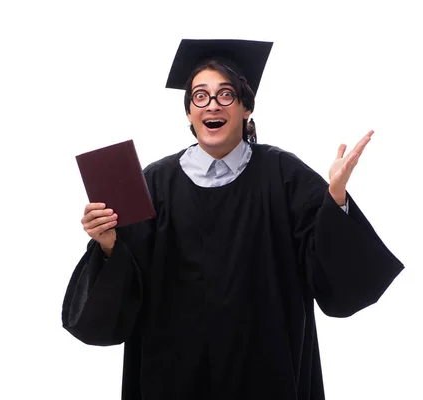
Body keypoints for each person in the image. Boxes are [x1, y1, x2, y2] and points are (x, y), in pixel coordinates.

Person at [61, 39, 404, 400]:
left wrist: (335, 199)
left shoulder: (284, 175)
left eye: (226, 95)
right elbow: (126, 290)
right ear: (190, 113)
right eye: (201, 96)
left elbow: (330, 275)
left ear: (246, 108)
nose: (213, 104)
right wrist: (108, 245)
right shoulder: (153, 184)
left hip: (264, 371)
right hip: (173, 373)